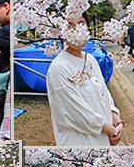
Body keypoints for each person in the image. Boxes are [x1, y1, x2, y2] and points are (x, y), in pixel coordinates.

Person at [46, 14, 124, 146]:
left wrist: (117, 120)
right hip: (80, 143)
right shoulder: (58, 68)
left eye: (81, 24)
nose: (77, 30)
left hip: (105, 140)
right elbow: (76, 114)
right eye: (70, 26)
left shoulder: (91, 60)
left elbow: (104, 94)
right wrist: (111, 130)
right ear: (61, 32)